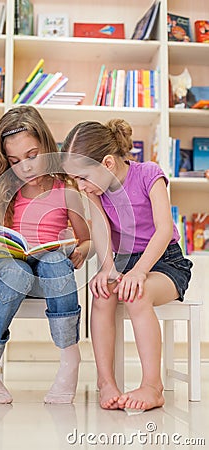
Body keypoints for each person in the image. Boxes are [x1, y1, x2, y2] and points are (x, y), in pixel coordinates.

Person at [61, 118, 193, 412]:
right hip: (123, 262)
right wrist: (107, 267)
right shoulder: (95, 191)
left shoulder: (150, 174)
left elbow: (162, 230)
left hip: (164, 262)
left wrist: (140, 272)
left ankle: (152, 386)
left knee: (139, 294)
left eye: (82, 177)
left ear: (107, 163)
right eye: (75, 180)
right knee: (102, 294)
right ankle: (105, 381)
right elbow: (102, 231)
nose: (80, 186)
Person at [0, 105, 92, 405]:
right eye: (14, 161)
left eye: (32, 155)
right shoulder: (4, 193)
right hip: (14, 272)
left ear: (47, 148)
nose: (24, 167)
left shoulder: (66, 190)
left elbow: (87, 239)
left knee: (53, 262)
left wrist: (83, 249)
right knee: (14, 271)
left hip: (52, 274)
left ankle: (69, 359)